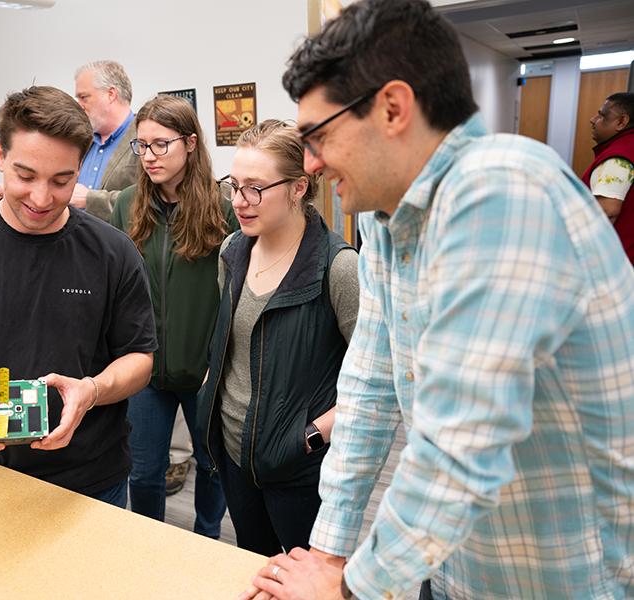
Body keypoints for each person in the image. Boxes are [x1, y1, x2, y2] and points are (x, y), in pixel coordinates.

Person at [239, 1, 634, 599]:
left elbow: (462, 443)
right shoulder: (386, 225)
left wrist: (350, 588)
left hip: (562, 575)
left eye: (320, 136)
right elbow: (369, 395)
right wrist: (328, 554)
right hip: (456, 564)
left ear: (394, 108)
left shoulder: (502, 190)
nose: (313, 162)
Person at [0, 85, 156, 506]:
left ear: (80, 168)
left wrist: (91, 390)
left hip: (94, 478)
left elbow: (139, 359)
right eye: (25, 176)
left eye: (62, 180)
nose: (42, 199)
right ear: (0, 156)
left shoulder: (114, 253)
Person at [197, 119, 359, 556]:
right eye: (233, 185)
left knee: (301, 574)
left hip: (296, 466)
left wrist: (310, 436)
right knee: (256, 563)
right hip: (233, 452)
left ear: (298, 188)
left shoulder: (338, 269)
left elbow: (382, 380)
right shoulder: (233, 250)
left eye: (255, 188)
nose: (238, 201)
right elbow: (230, 346)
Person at [110, 94, 238, 537]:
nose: (148, 156)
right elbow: (119, 288)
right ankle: (151, 548)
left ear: (190, 143)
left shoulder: (225, 207)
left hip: (205, 371)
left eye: (160, 144)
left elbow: (237, 297)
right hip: (144, 369)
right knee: (144, 472)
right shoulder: (126, 204)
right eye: (141, 146)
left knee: (212, 465)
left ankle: (207, 538)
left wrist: (219, 363)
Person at [0, 60, 139, 222]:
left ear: (111, 94)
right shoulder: (80, 140)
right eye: (25, 176)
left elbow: (152, 202)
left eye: (83, 97)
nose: (79, 105)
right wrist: (17, 193)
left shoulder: (145, 141)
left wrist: (90, 199)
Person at [582, 92, 634, 264]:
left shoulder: (618, 158)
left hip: (613, 262)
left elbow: (606, 212)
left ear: (621, 122)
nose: (593, 120)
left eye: (602, 115)